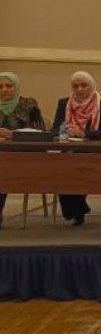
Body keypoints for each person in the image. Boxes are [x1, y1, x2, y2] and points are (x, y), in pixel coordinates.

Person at [51, 71, 101, 226]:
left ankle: (77, 209)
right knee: (61, 168)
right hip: (68, 150)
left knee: (78, 168)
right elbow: (54, 130)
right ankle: (79, 207)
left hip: (92, 151)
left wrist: (83, 133)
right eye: (75, 86)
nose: (79, 89)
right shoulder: (64, 103)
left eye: (84, 85)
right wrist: (65, 131)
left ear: (92, 86)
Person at [0, 72, 45, 228]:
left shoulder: (29, 105)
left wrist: (13, 134)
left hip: (23, 156)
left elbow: (40, 133)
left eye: (9, 86)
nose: (4, 90)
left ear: (16, 87)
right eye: (0, 86)